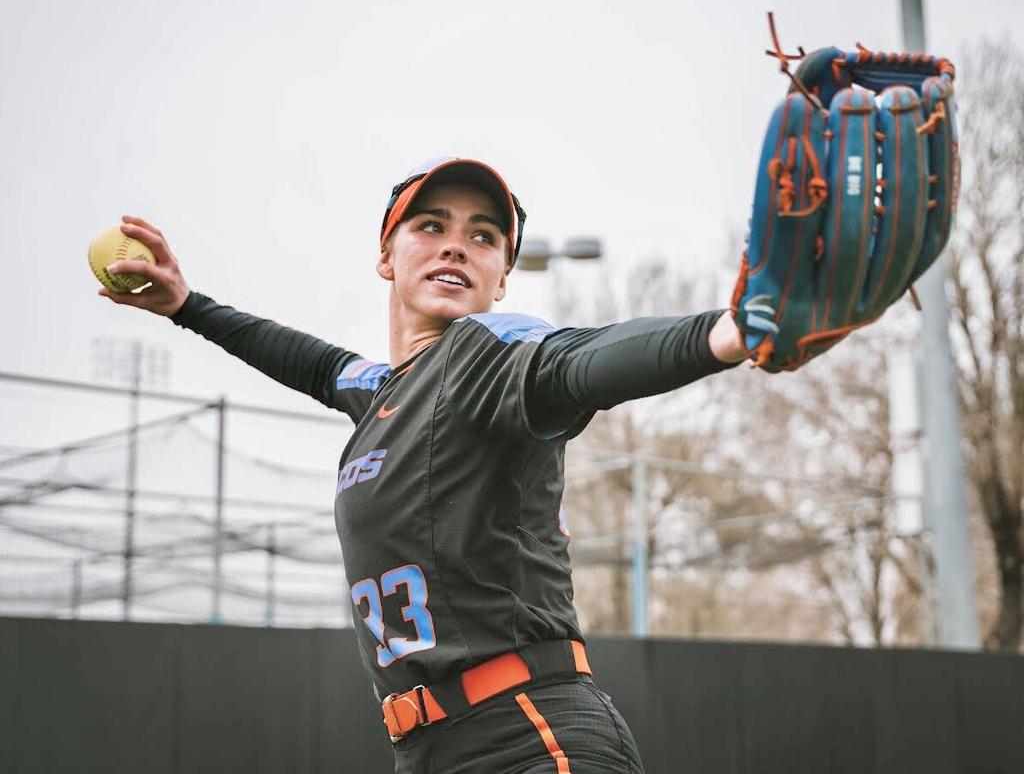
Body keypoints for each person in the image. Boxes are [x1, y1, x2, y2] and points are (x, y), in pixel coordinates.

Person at [100, 157, 747, 773]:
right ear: (386, 256)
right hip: (430, 750)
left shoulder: (484, 350)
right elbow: (309, 361)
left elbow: (580, 361)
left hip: (530, 734)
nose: (456, 245)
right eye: (431, 226)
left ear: (500, 279)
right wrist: (187, 306)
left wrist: (729, 332)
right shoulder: (382, 390)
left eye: (484, 236)